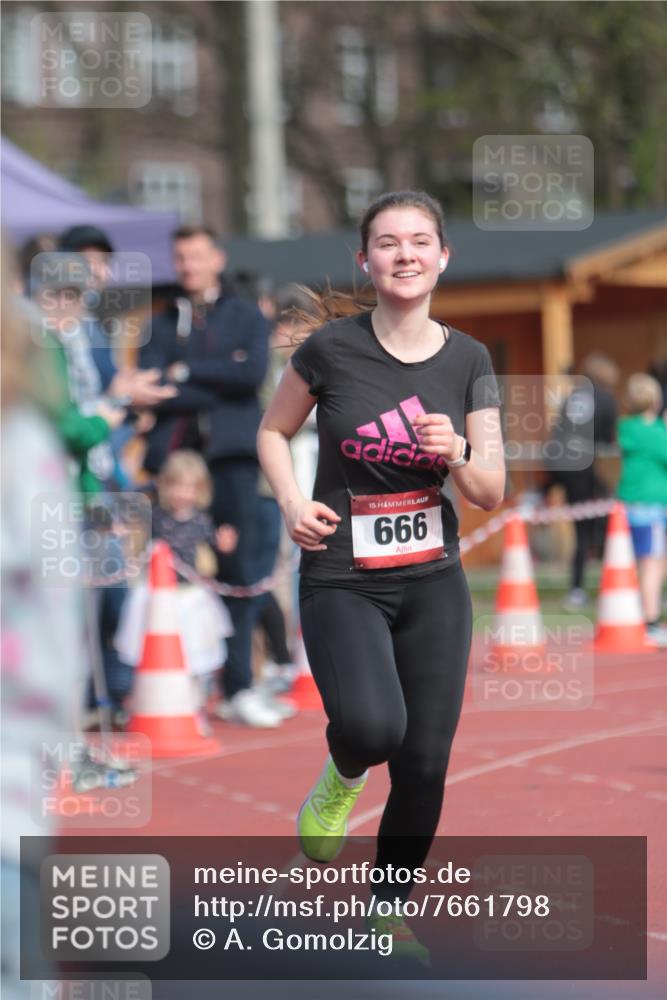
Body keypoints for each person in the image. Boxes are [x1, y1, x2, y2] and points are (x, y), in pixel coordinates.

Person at [257, 190, 505, 960]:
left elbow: (490, 490)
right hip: (342, 574)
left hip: (432, 578)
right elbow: (272, 429)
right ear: (364, 260)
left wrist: (457, 452)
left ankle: (386, 913)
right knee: (372, 729)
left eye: (420, 241)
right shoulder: (330, 349)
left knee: (425, 761)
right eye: (388, 242)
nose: (405, 254)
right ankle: (339, 775)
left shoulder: (468, 359)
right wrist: (293, 501)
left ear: (441, 258)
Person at [139, 225, 275, 726]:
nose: (188, 265)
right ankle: (180, 686)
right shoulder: (158, 322)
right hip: (173, 464)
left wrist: (185, 373)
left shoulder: (245, 315)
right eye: (180, 257)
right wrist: (213, 373)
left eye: (196, 255)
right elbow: (153, 384)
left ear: (216, 258)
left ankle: (238, 686)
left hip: (233, 461)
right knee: (169, 575)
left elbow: (252, 376)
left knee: (238, 570)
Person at [115, 450, 236, 734]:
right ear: (164, 486)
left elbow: (214, 546)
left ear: (200, 490)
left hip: (190, 596)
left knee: (194, 657)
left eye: (189, 487)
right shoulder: (155, 516)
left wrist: (224, 546)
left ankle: (194, 710)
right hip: (159, 597)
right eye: (175, 485)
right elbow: (134, 509)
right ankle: (148, 704)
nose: (182, 493)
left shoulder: (201, 520)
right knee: (151, 653)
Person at [548, 352, 619, 609]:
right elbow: (609, 439)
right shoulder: (606, 399)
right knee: (588, 528)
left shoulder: (572, 397)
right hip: (582, 468)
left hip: (563, 466)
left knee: (589, 523)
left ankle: (582, 585)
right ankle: (578, 588)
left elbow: (558, 432)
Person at [616, 374, 667, 646]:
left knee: (640, 562)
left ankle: (641, 612)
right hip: (653, 505)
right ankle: (651, 620)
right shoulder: (656, 432)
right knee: (653, 564)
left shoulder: (626, 427)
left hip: (630, 504)